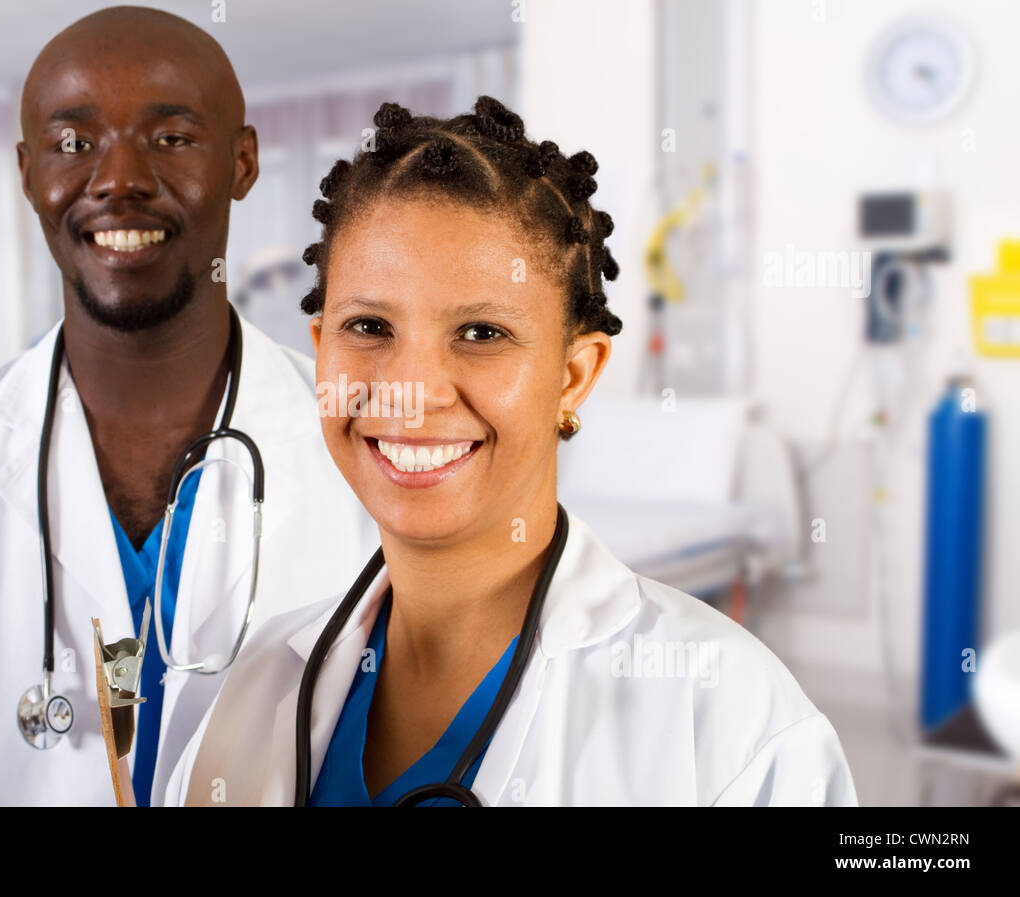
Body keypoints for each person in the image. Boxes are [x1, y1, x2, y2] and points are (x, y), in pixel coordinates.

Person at [165, 97, 859, 806]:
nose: (411, 390)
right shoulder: (253, 689)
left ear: (573, 375)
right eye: (369, 325)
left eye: (481, 333)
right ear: (321, 353)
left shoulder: (729, 720)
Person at [0, 7, 376, 807]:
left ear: (242, 162)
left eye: (170, 137)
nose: (119, 178)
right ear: (28, 174)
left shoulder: (369, 451)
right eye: (73, 143)